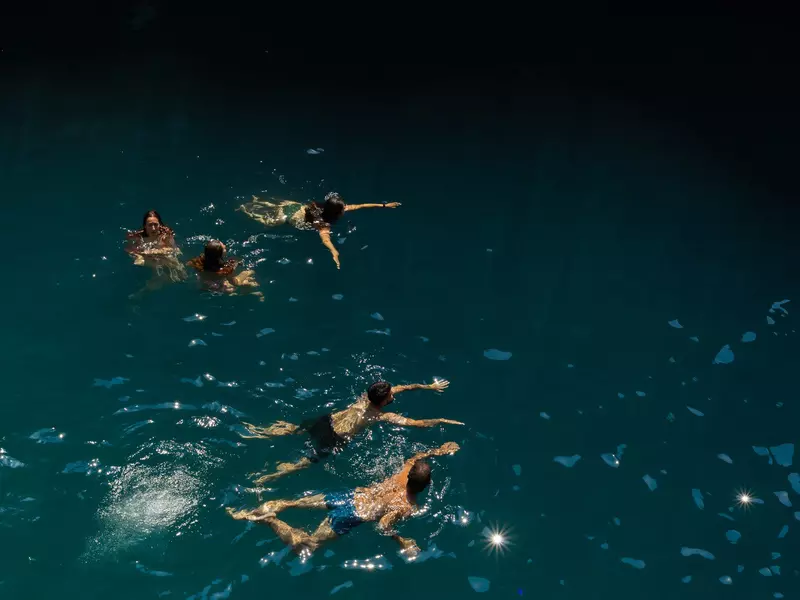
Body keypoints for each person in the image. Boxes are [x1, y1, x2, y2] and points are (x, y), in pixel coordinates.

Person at [227, 442, 460, 558]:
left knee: (295, 502)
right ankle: (270, 520)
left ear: (409, 475)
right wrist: (402, 541)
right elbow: (383, 525)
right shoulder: (407, 506)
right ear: (427, 485)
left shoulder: (404, 471)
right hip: (352, 516)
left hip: (352, 495)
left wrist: (439, 449)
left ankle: (272, 506)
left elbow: (416, 456)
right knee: (307, 546)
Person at [241, 379, 462, 483]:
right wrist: (441, 419)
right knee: (306, 462)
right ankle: (269, 477)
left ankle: (256, 431)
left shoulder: (366, 397)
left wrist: (426, 387)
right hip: (336, 438)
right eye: (390, 396)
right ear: (383, 401)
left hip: (327, 421)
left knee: (293, 429)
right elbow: (415, 423)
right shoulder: (380, 415)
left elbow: (402, 387)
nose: (393, 396)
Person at [237, 192, 401, 269]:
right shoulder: (324, 223)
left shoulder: (321, 207)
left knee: (278, 205)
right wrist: (334, 251)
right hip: (291, 218)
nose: (346, 208)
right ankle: (245, 209)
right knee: (266, 222)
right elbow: (325, 238)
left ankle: (257, 200)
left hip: (293, 206)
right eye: (343, 208)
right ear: (337, 212)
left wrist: (384, 205)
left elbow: (360, 206)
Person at [125, 210, 187, 294]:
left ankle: (147, 289)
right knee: (158, 270)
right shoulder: (138, 237)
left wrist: (153, 251)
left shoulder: (166, 235)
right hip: (150, 259)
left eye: (155, 224)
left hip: (165, 256)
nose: (153, 228)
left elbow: (173, 249)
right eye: (150, 225)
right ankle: (145, 291)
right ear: (145, 226)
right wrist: (139, 255)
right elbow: (129, 250)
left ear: (160, 225)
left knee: (182, 276)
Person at [186, 240, 264, 301]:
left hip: (203, 287)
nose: (225, 246)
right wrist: (246, 272)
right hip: (218, 288)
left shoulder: (198, 261)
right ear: (220, 255)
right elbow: (236, 283)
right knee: (248, 281)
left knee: (246, 282)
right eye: (224, 248)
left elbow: (188, 264)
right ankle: (254, 293)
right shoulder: (224, 271)